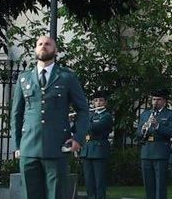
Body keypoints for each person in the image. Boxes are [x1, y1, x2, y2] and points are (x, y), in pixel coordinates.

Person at [12, 35, 91, 199]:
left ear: (55, 51)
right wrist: (17, 145)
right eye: (40, 44)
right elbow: (17, 114)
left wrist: (77, 138)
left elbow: (83, 110)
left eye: (48, 44)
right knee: (30, 195)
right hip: (28, 147)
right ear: (35, 49)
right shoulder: (24, 78)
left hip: (56, 146)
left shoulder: (66, 77)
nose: (43, 46)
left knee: (55, 195)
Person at [139, 89, 172, 199]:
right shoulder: (146, 114)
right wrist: (142, 130)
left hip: (160, 152)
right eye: (154, 99)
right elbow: (137, 133)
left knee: (160, 184)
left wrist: (157, 126)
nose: (155, 102)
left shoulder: (170, 114)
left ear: (164, 101)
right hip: (146, 152)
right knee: (148, 184)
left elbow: (171, 132)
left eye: (158, 99)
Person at [80, 93, 113, 199]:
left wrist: (81, 119)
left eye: (101, 100)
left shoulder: (106, 116)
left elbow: (94, 128)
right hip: (87, 150)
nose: (98, 103)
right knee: (89, 182)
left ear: (105, 103)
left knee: (99, 182)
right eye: (95, 101)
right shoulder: (91, 115)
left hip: (99, 151)